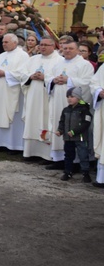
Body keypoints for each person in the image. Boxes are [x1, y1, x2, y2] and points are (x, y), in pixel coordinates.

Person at [46, 36, 94, 169]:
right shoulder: (58, 64)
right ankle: (59, 159)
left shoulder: (84, 65)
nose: (67, 51)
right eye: (65, 48)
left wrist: (69, 80)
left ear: (77, 50)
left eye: (71, 48)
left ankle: (77, 162)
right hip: (57, 101)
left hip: (75, 105)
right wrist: (53, 80)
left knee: (74, 129)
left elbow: (87, 83)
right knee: (59, 125)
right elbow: (48, 77)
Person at [0, 33, 30, 152]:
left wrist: (6, 73)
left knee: (13, 118)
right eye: (3, 42)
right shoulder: (1, 56)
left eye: (6, 42)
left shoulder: (23, 56)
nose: (3, 44)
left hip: (13, 92)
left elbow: (23, 73)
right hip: (0, 91)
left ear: (15, 43)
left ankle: (14, 145)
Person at [22, 36, 63, 161]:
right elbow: (22, 74)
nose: (43, 47)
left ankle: (46, 154)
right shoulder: (33, 59)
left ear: (53, 46)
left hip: (48, 97)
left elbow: (59, 77)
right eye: (41, 45)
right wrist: (31, 76)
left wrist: (45, 78)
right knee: (32, 121)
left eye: (46, 45)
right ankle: (31, 152)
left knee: (46, 121)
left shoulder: (59, 61)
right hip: (33, 95)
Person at [55, 87, 92, 182]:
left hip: (80, 138)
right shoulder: (66, 110)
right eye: (68, 96)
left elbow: (86, 123)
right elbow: (62, 122)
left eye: (72, 96)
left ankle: (86, 173)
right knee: (68, 155)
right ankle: (68, 172)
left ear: (78, 97)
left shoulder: (84, 109)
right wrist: (60, 130)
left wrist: (74, 131)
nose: (69, 98)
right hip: (68, 139)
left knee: (83, 155)